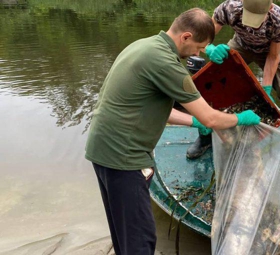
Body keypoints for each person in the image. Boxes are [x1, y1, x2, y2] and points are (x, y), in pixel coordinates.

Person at [85, 8, 260, 255]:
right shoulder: (166, 64)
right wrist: (240, 118)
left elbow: (157, 107)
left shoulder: (143, 46)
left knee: (123, 232)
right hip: (124, 158)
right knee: (140, 241)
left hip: (102, 150)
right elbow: (210, 118)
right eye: (200, 47)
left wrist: (192, 122)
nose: (200, 54)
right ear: (186, 36)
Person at [186, 0, 280, 187]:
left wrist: (267, 89)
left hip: (269, 51)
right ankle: (205, 138)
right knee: (210, 81)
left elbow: (273, 56)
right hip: (240, 45)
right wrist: (209, 49)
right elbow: (203, 36)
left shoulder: (279, 20)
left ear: (269, 8)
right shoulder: (230, 8)